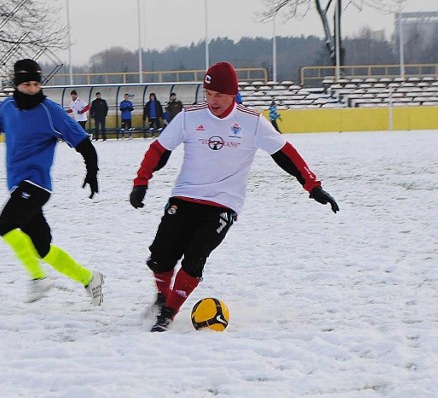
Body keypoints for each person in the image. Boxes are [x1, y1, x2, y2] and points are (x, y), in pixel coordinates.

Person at [129, 61, 339, 332]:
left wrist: (312, 186)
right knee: (161, 256)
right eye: (207, 94)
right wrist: (141, 181)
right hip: (184, 197)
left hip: (223, 203)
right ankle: (161, 297)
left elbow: (285, 153)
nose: (212, 101)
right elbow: (159, 150)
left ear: (232, 94)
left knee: (195, 256)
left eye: (218, 95)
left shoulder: (252, 122)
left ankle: (168, 312)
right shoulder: (188, 117)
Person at [0, 59, 104, 306]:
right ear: (17, 84)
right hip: (18, 184)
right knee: (42, 248)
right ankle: (89, 278)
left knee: (6, 225)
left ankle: (37, 278)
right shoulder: (8, 107)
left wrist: (92, 171)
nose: (32, 88)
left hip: (36, 184)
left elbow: (83, 142)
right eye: (27, 84)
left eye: (36, 83)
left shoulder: (50, 111)